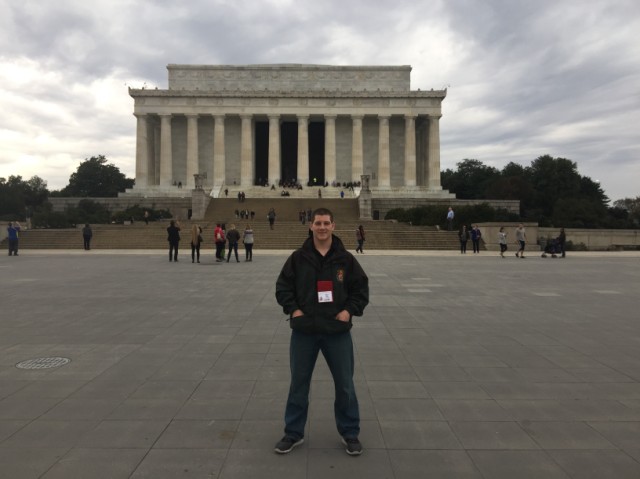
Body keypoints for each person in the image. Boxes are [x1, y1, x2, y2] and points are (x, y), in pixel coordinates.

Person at [274, 207, 369, 457]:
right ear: (311, 226)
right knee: (298, 384)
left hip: (336, 330)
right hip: (304, 330)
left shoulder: (346, 259)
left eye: (326, 223)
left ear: (333, 226)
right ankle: (293, 432)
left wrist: (349, 311)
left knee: (345, 385)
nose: (322, 227)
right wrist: (294, 311)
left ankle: (350, 432)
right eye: (318, 223)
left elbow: (360, 289)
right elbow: (283, 288)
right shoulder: (298, 258)